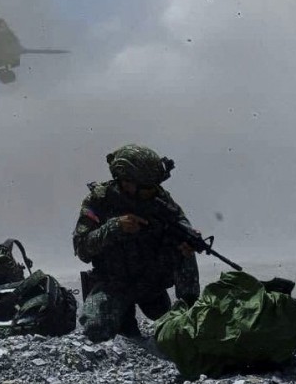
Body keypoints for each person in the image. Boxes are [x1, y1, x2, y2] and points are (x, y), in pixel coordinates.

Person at [72, 144, 200, 342]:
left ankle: (191, 315)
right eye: (147, 188)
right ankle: (125, 319)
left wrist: (188, 238)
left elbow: (181, 224)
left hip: (152, 281)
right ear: (126, 181)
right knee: (96, 331)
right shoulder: (100, 201)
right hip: (113, 284)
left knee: (186, 248)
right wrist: (114, 227)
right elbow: (82, 249)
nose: (153, 192)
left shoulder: (160, 199)